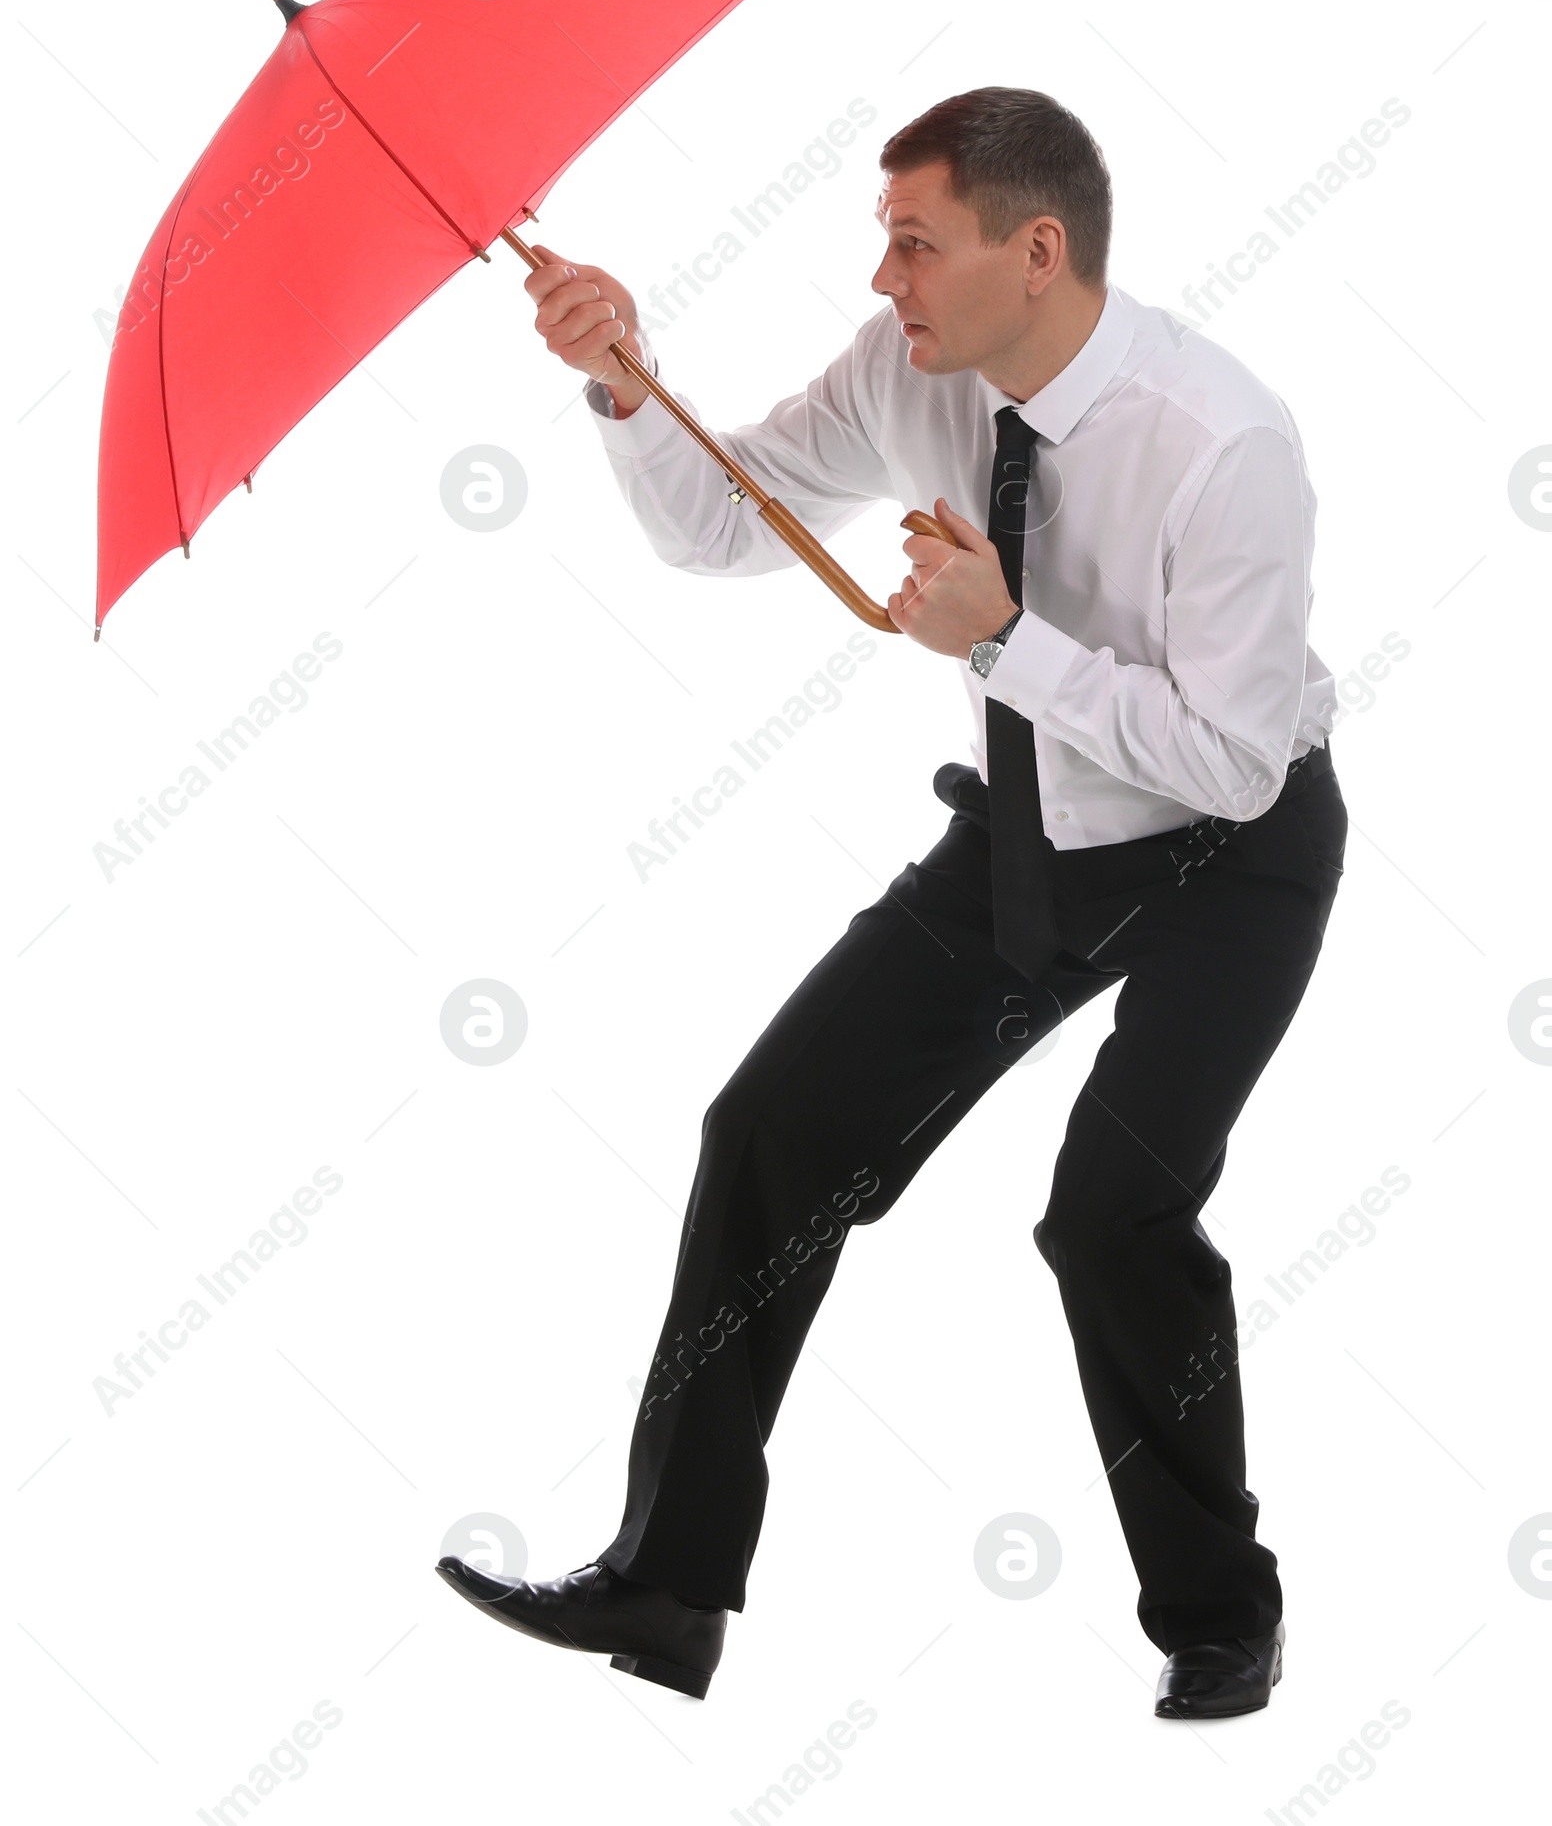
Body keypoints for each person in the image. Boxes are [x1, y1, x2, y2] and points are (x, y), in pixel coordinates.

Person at [435, 87, 1346, 1720]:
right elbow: (723, 526)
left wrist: (1003, 645)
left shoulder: (1227, 443)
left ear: (1038, 251)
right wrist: (625, 383)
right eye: (885, 244)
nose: (884, 281)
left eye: (914, 245)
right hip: (1025, 834)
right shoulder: (910, 377)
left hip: (1234, 853)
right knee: (769, 1133)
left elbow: (1232, 762)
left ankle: (1223, 1616)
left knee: (1108, 1220)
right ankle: (667, 1592)